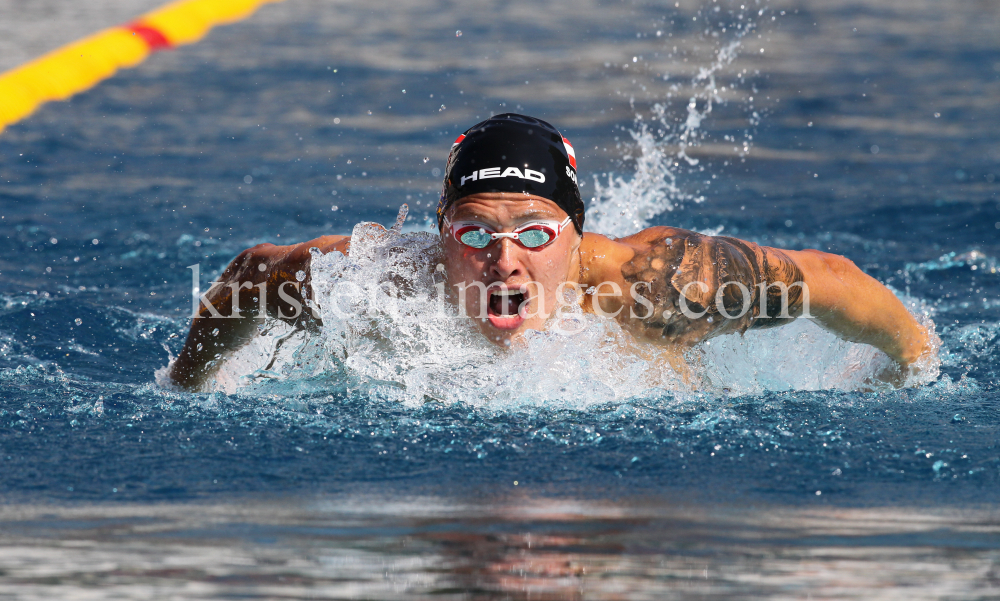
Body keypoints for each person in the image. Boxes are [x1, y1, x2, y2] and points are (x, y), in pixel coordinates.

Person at [167, 113, 934, 390]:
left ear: (575, 233)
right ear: (441, 232)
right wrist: (189, 386)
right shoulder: (374, 285)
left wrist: (910, 363)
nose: (504, 260)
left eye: (534, 233)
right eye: (474, 232)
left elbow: (833, 280)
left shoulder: (657, 286)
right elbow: (248, 277)